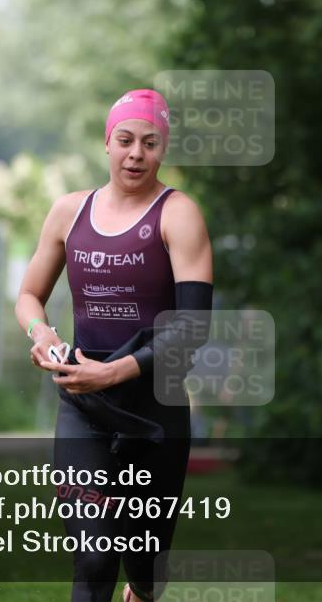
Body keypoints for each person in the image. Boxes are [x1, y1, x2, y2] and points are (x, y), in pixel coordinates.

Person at [15, 89, 214, 602]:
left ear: (163, 150)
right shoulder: (68, 213)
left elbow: (193, 328)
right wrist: (42, 335)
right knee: (94, 557)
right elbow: (29, 296)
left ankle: (143, 591)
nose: (136, 153)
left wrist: (116, 371)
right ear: (107, 142)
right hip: (84, 406)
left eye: (150, 143)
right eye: (125, 140)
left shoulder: (179, 215)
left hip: (155, 412)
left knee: (145, 572)